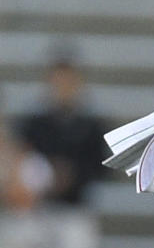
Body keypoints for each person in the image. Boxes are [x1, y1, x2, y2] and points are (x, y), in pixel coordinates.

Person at [14, 48, 112, 205]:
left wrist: (73, 174)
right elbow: (20, 156)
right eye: (58, 81)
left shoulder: (91, 126)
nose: (63, 87)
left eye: (68, 81)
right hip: (37, 206)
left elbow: (103, 165)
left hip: (76, 206)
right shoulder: (33, 124)